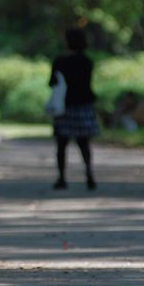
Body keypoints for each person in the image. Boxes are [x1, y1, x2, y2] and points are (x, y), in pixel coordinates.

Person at [50, 28, 98, 190]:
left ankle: (62, 177)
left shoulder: (60, 61)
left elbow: (52, 82)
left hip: (65, 105)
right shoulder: (87, 61)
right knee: (84, 143)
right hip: (84, 104)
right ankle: (89, 174)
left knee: (62, 143)